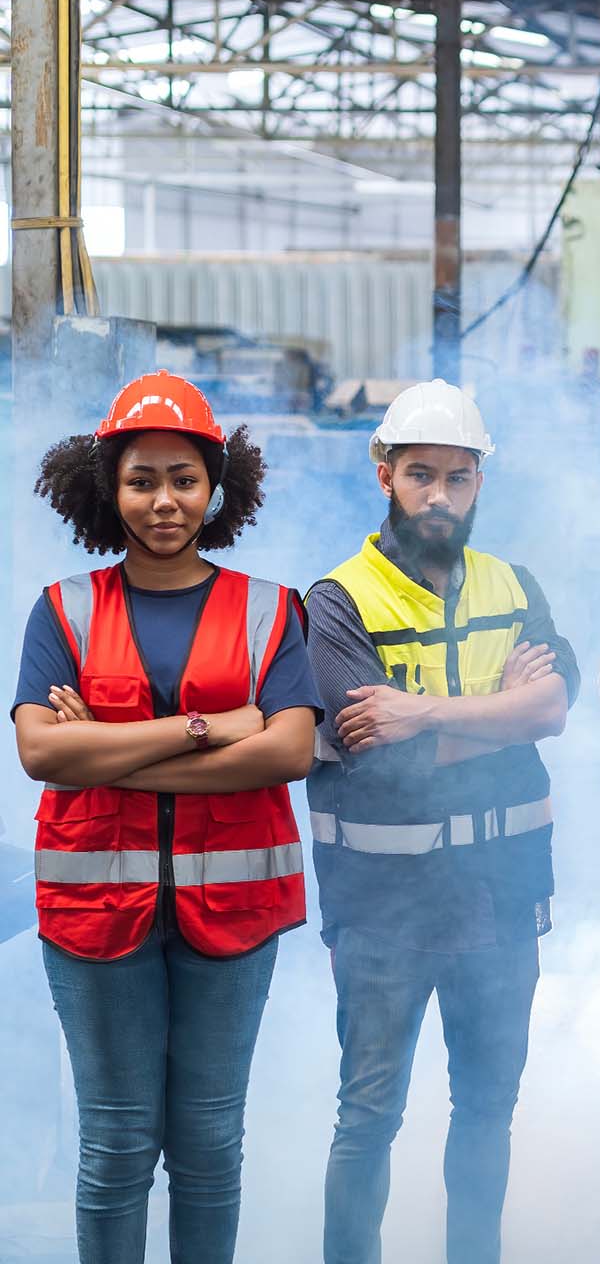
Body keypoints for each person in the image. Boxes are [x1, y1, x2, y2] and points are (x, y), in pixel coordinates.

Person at [14, 371, 320, 1263]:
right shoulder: (63, 609)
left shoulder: (270, 611)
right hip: (93, 920)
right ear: (109, 488)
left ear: (215, 489)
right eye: (142, 478)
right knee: (114, 1149)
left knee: (210, 1148)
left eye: (184, 479)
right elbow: (41, 754)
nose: (164, 501)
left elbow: (288, 753)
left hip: (234, 918)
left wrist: (110, 756)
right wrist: (200, 731)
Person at [306, 379, 577, 1264]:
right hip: (384, 909)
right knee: (369, 1114)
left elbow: (554, 709)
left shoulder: (512, 583)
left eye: (457, 478)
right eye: (419, 475)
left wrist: (424, 713)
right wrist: (496, 707)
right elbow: (378, 762)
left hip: (499, 903)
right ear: (383, 473)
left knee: (488, 1109)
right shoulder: (338, 601)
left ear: (478, 481)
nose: (438, 496)